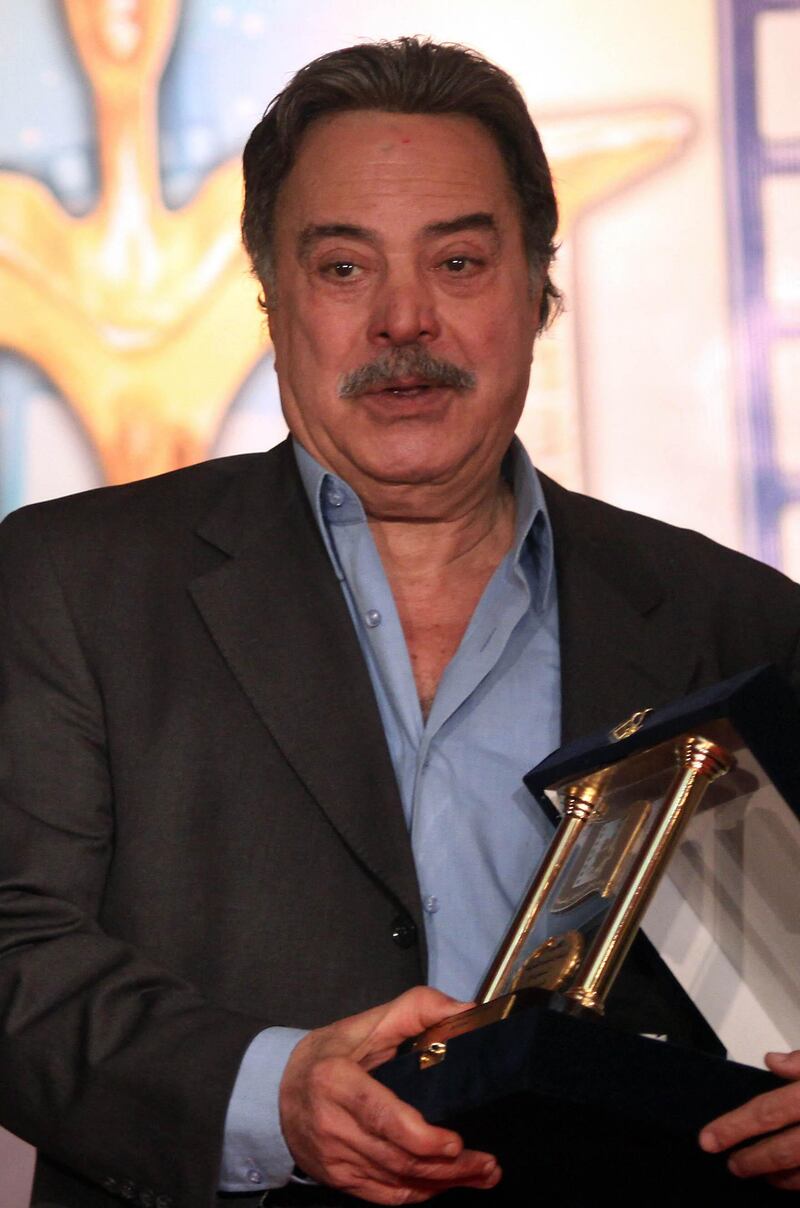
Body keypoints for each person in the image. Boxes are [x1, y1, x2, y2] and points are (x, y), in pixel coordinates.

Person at [1, 36, 799, 1208]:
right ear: (270, 300)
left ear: (539, 289)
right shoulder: (67, 583)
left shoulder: (740, 618)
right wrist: (269, 1092)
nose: (402, 320)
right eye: (341, 268)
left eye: (461, 260)